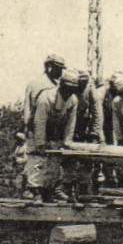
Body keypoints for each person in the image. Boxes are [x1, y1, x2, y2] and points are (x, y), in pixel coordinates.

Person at [29, 69, 78, 202]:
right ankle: (35, 192)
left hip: (56, 133)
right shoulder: (46, 98)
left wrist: (67, 142)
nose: (68, 92)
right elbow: (39, 122)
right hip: (38, 131)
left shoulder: (73, 100)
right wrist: (40, 143)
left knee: (54, 163)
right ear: (61, 85)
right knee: (38, 161)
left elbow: (70, 123)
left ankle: (50, 191)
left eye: (72, 90)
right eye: (67, 89)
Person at [25, 54, 65, 134]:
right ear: (49, 67)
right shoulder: (35, 84)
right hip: (38, 128)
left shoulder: (58, 84)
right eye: (58, 68)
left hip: (52, 130)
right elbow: (28, 109)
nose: (61, 72)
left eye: (61, 69)